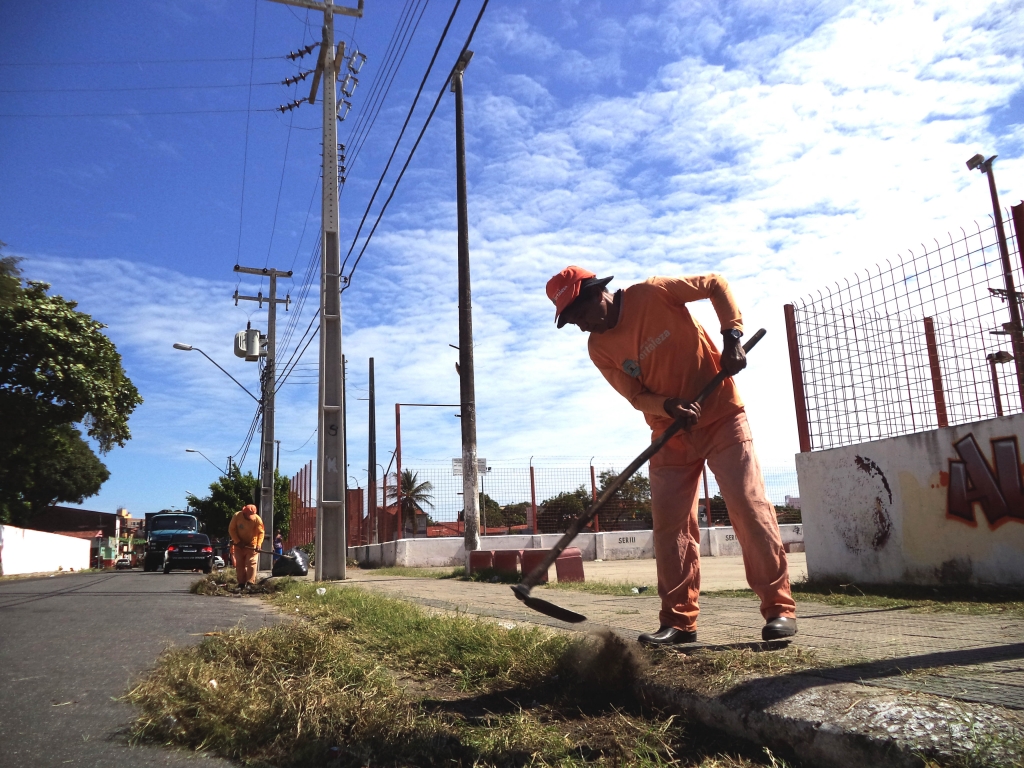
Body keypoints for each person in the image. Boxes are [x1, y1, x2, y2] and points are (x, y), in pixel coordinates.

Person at [546, 266, 797, 645]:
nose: (580, 326)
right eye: (571, 321)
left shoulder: (652, 293)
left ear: (597, 293)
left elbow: (716, 285)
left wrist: (732, 338)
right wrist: (668, 405)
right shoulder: (598, 348)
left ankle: (779, 609)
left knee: (748, 506)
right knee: (670, 527)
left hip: (721, 414)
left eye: (579, 314)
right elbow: (635, 396)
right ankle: (679, 622)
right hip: (670, 432)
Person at [228, 504, 265, 591]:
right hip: (239, 545)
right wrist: (237, 541)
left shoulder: (257, 519)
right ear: (244, 512)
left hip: (252, 544)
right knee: (240, 564)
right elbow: (231, 529)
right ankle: (241, 584)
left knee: (251, 563)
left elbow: (261, 533)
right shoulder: (237, 516)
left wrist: (259, 544)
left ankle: (250, 583)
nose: (250, 518)